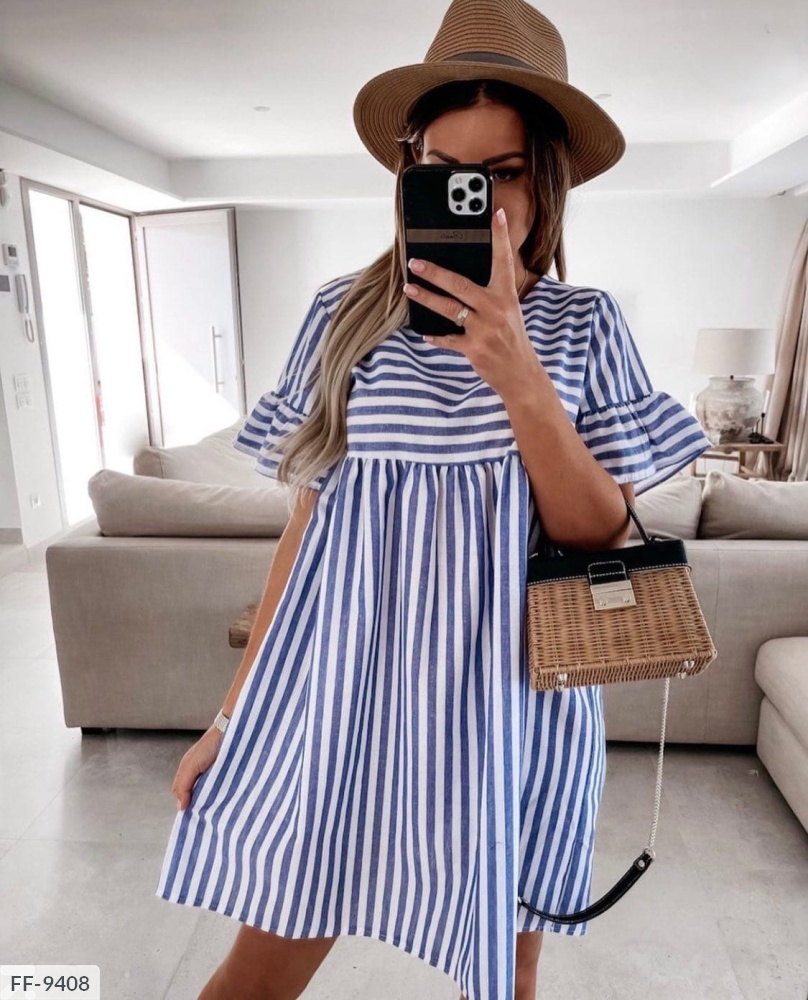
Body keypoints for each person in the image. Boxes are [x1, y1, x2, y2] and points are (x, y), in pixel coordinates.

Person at [155, 1, 713, 998]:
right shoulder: (341, 317)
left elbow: (596, 534)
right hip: (345, 702)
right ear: (411, 173)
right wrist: (231, 716)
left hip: (516, 715)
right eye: (447, 170)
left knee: (504, 970)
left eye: (503, 172)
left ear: (545, 181)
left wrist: (518, 372)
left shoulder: (585, 326)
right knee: (260, 967)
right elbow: (306, 532)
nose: (478, 198)